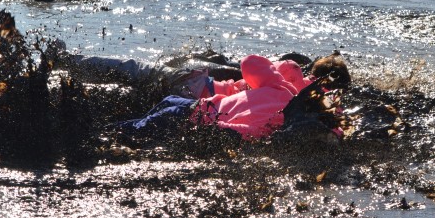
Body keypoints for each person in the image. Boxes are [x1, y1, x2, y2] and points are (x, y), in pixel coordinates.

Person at [112, 52, 349, 144]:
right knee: (151, 116)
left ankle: (109, 134)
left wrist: (280, 69)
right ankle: (113, 133)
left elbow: (250, 62)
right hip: (199, 106)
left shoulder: (283, 91)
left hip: (198, 105)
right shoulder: (288, 102)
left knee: (136, 126)